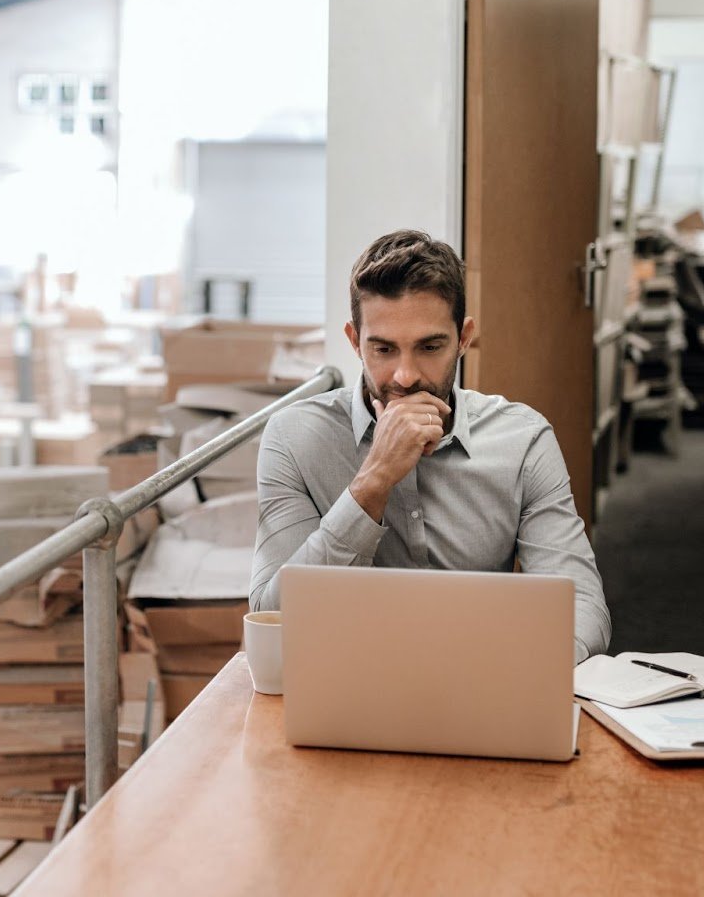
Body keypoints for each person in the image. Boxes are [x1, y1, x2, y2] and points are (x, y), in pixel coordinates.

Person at [250, 229, 610, 663]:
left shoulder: (524, 440)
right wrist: (373, 481)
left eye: (430, 346)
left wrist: (516, 670)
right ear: (353, 341)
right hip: (346, 681)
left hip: (485, 680)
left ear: (463, 338)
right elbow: (274, 621)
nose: (405, 375)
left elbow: (583, 610)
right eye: (383, 348)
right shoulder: (293, 438)